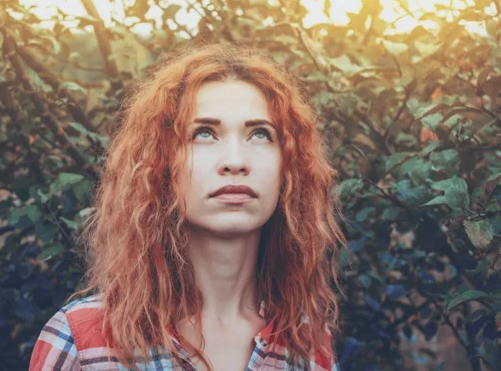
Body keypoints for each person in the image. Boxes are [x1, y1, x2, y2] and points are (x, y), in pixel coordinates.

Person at [29, 42, 347, 371]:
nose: (235, 162)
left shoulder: (307, 346)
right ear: (161, 164)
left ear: (289, 165)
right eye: (204, 134)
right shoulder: (81, 342)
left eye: (260, 134)